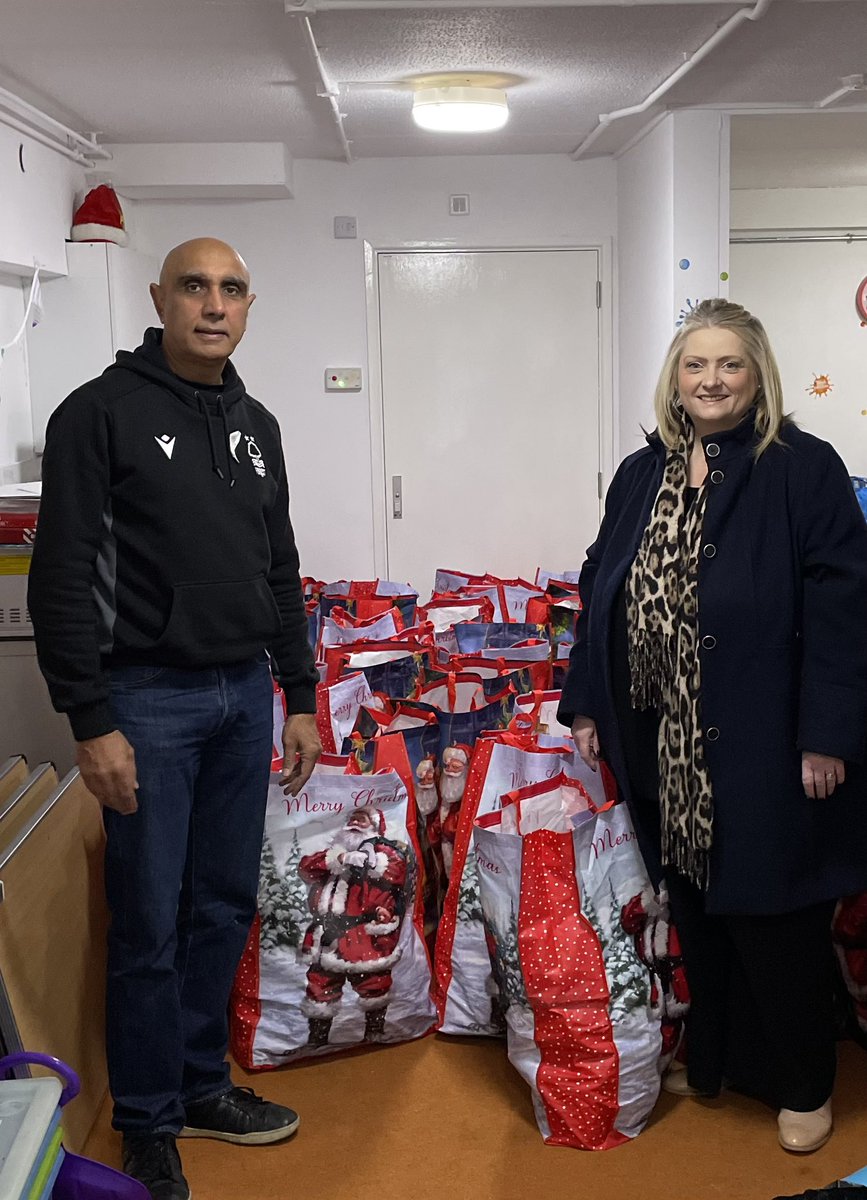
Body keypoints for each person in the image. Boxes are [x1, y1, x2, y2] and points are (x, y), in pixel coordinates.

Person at [28, 238, 322, 1200]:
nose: (213, 304)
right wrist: (91, 717)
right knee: (148, 921)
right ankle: (149, 1116)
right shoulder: (97, 415)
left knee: (222, 905)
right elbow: (62, 579)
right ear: (159, 299)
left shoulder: (257, 424)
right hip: (145, 700)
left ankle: (202, 1085)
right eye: (193, 286)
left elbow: (280, 568)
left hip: (244, 695)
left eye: (232, 289)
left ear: (248, 307)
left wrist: (302, 694)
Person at [558, 298, 867, 1154]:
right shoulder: (639, 472)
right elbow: (600, 586)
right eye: (696, 365)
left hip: (770, 733)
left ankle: (802, 1082)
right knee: (693, 901)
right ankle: (719, 1060)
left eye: (729, 364)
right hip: (662, 735)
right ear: (675, 377)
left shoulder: (801, 467)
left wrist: (827, 733)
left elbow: (845, 606)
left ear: (756, 374)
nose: (711, 380)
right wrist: (586, 697)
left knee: (774, 912)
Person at [299, 806, 408, 1047]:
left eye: (363, 820)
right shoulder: (334, 856)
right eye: (353, 819)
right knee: (320, 985)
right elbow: (306, 867)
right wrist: (340, 858)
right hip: (326, 934)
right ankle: (317, 1039)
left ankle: (375, 1031)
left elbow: (394, 870)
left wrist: (370, 859)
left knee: (373, 983)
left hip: (361, 936)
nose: (355, 823)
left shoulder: (385, 854)